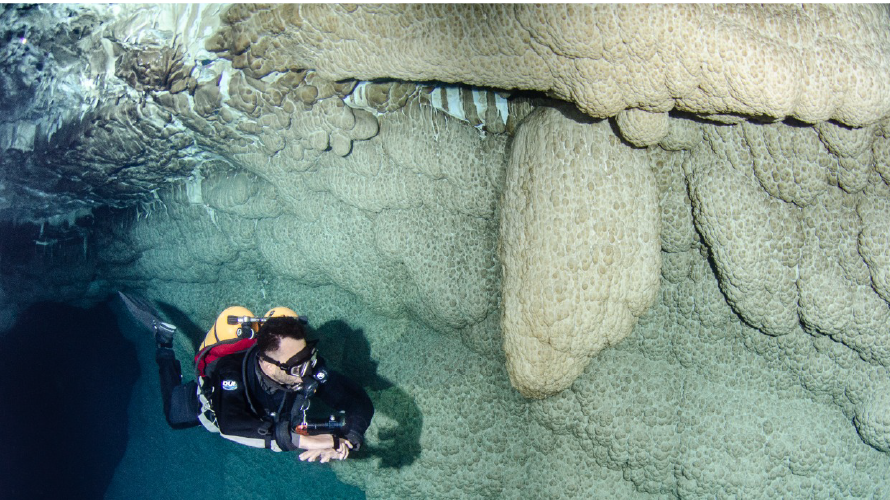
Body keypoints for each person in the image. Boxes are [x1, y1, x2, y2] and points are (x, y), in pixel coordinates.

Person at [119, 292, 374, 463]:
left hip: (275, 417)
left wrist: (350, 439)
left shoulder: (307, 368)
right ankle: (164, 343)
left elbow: (358, 401)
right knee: (173, 417)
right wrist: (306, 441)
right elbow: (231, 426)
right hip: (211, 405)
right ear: (268, 365)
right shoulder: (230, 373)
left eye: (309, 356)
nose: (307, 371)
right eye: (297, 366)